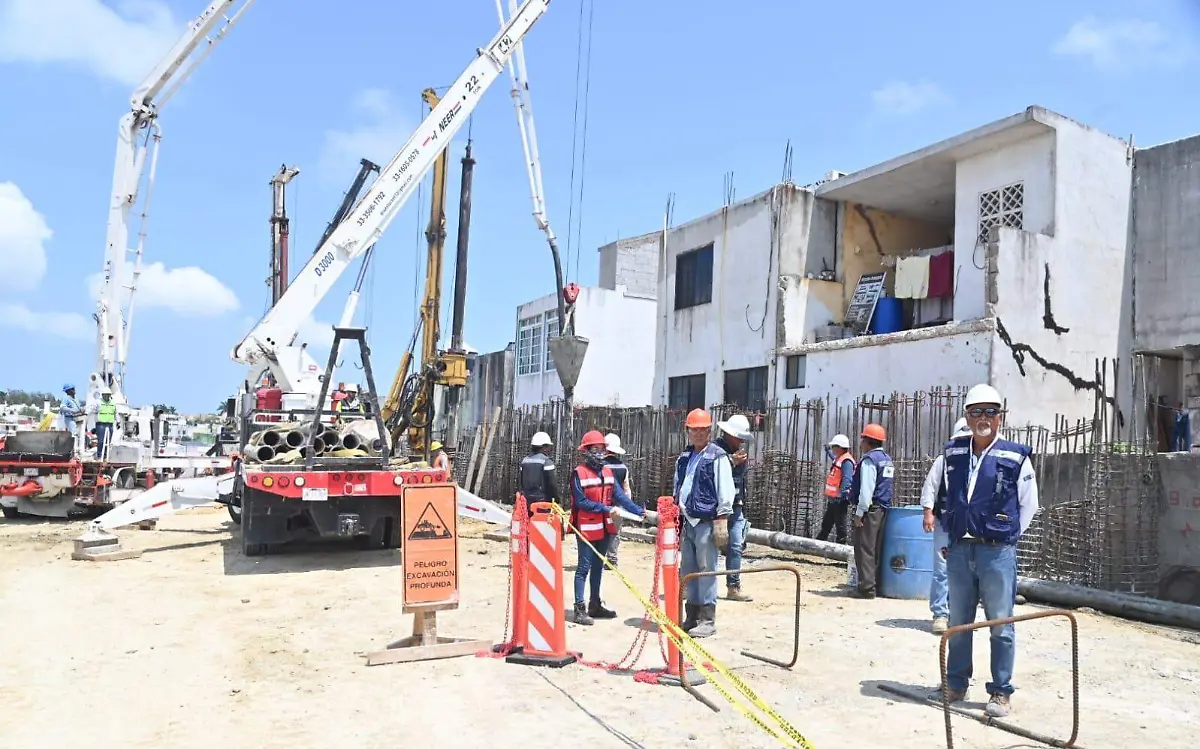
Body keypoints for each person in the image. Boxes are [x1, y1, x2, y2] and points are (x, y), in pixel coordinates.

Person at [933, 384, 1039, 719]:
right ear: (966, 416)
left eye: (990, 412)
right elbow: (945, 496)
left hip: (997, 552)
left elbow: (1029, 505)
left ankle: (1000, 691)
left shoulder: (1015, 457)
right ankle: (955, 683)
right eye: (976, 411)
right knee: (959, 621)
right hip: (961, 550)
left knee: (1000, 624)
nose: (983, 418)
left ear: (1000, 418)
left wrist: (1005, 537)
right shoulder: (953, 454)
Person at [570, 430, 645, 625]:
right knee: (583, 568)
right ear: (586, 451)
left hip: (604, 527)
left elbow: (619, 496)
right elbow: (581, 501)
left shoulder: (608, 472)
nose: (599, 453)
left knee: (598, 566)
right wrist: (605, 508)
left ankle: (595, 604)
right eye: (595, 449)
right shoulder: (579, 474)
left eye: (602, 449)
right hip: (586, 527)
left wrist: (639, 512)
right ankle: (579, 608)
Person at [674, 408, 735, 638]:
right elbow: (678, 486)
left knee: (707, 569)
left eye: (703, 430)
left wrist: (722, 519)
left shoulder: (717, 456)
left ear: (709, 431)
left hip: (706, 521)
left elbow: (725, 488)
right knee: (689, 571)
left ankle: (708, 619)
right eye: (694, 430)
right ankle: (692, 616)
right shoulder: (685, 457)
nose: (698, 434)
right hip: (687, 521)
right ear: (687, 430)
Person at [921, 418, 972, 634]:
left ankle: (959, 614)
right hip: (945, 523)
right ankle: (940, 614)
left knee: (966, 571)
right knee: (942, 569)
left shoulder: (980, 463)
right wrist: (928, 513)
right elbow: (930, 488)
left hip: (969, 527)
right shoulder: (943, 461)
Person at [849, 423, 893, 599]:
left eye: (863, 439)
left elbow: (867, 489)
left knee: (864, 547)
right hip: (883, 508)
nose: (861, 443)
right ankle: (875, 584)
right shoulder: (886, 459)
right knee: (876, 548)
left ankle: (866, 588)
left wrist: (860, 513)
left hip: (870, 509)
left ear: (868, 441)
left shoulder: (869, 461)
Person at [714, 413, 753, 602]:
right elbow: (712, 473)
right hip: (717, 508)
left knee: (736, 545)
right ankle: (693, 584)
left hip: (736, 506)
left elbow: (741, 480)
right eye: (738, 437)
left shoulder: (741, 453)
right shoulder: (714, 450)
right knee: (708, 547)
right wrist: (731, 461)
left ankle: (733, 587)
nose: (741, 441)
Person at [816, 434, 855, 544]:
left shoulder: (847, 461)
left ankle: (841, 551)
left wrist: (842, 494)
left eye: (834, 447)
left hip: (840, 500)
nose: (833, 449)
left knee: (840, 527)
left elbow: (847, 479)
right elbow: (835, 461)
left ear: (840, 447)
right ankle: (817, 545)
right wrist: (828, 452)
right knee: (826, 524)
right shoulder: (840, 459)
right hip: (834, 499)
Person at [602, 433, 632, 568]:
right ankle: (612, 560)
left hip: (602, 505)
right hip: (618, 506)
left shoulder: (600, 466)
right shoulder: (623, 467)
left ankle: (597, 558)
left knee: (600, 532)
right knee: (614, 533)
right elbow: (626, 489)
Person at [518, 431, 559, 508]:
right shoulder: (546, 462)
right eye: (549, 446)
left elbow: (521, 483)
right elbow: (552, 484)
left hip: (527, 502)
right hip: (542, 503)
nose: (550, 449)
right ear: (544, 447)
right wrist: (556, 500)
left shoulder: (524, 461)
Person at [92, 387, 117, 460]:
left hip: (110, 424)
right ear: (102, 395)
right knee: (101, 441)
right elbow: (93, 411)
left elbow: (116, 413)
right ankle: (99, 455)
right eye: (105, 395)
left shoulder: (113, 403)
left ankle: (106, 455)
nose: (106, 396)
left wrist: (117, 421)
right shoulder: (98, 402)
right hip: (101, 424)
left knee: (108, 441)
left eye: (108, 395)